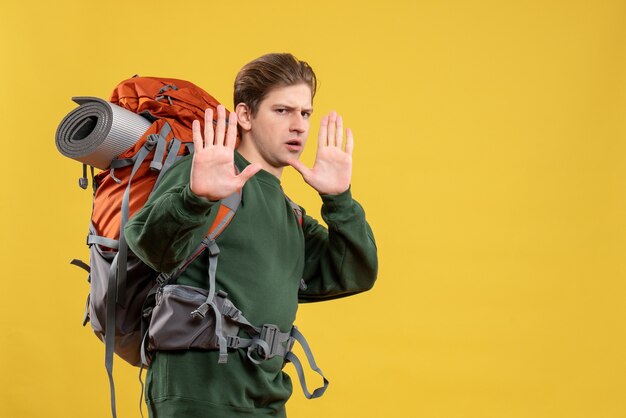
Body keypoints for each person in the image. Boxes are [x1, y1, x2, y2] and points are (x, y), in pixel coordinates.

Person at [124, 53, 378, 418]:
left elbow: (355, 272)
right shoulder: (207, 175)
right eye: (282, 111)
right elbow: (152, 249)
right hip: (198, 397)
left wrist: (339, 200)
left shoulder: (289, 211)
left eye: (305, 113)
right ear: (245, 115)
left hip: (266, 396)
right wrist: (195, 199)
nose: (299, 126)